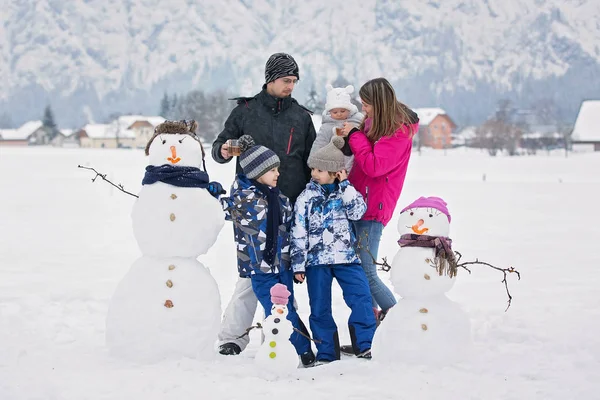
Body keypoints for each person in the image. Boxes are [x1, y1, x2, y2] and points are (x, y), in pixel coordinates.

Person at [211, 52, 317, 355]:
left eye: (295, 81)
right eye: (287, 80)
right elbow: (218, 149)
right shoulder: (244, 112)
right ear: (271, 79)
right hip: (252, 209)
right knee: (252, 276)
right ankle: (233, 337)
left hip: (290, 208)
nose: (291, 86)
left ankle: (280, 339)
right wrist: (230, 148)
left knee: (282, 278)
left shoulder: (302, 117)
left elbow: (311, 163)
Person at [337, 77, 420, 356]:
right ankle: (370, 337)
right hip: (359, 203)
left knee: (366, 273)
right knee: (359, 273)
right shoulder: (375, 122)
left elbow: (374, 165)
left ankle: (401, 324)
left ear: (379, 103)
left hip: (374, 209)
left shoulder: (398, 131)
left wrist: (355, 136)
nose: (363, 108)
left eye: (366, 103)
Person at [220, 135, 315, 367]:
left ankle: (286, 348)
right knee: (277, 308)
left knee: (286, 307)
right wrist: (207, 191)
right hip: (259, 268)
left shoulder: (280, 199)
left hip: (282, 265)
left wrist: (297, 262)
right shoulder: (242, 199)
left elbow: (292, 231)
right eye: (273, 170)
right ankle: (303, 349)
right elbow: (216, 208)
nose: (278, 174)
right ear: (256, 172)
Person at [290, 136, 377, 365]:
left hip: (347, 258)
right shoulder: (306, 198)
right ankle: (327, 352)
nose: (314, 174)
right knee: (319, 307)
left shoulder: (345, 193)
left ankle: (365, 344)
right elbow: (298, 232)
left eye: (320, 170)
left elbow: (359, 212)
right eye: (313, 169)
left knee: (362, 299)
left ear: (334, 172)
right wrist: (298, 264)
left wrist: (346, 185)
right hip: (317, 262)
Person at [309, 84, 364, 171]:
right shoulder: (327, 127)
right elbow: (320, 142)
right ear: (329, 112)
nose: (339, 114)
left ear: (349, 110)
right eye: (335, 112)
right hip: (333, 167)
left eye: (343, 111)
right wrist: (313, 160)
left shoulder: (357, 122)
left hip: (355, 164)